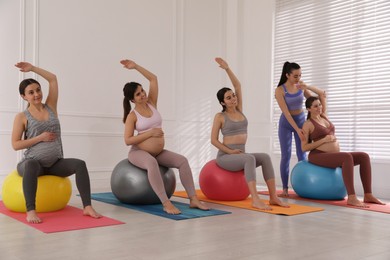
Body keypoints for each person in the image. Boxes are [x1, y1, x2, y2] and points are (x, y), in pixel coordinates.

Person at [11, 62, 102, 223]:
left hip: (54, 164)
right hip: (32, 164)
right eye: (31, 92)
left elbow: (53, 79)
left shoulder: (51, 107)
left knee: (80, 164)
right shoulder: (22, 116)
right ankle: (31, 210)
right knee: (31, 164)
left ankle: (87, 206)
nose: (36, 94)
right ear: (24, 97)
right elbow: (15, 145)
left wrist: (32, 68)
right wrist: (40, 137)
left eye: (38, 90)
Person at [120, 59, 209, 215]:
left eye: (142, 91)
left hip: (158, 152)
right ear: (132, 99)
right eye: (139, 94)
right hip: (138, 153)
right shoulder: (132, 116)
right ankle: (166, 203)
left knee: (182, 161)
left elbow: (153, 78)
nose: (143, 94)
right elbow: (127, 140)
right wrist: (150, 133)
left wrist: (136, 67)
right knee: (152, 163)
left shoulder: (151, 103)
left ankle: (193, 199)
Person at [211, 57, 289, 210]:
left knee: (265, 157)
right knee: (249, 158)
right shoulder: (220, 117)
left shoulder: (239, 109)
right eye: (228, 98)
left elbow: (238, 85)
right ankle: (255, 199)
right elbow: (213, 140)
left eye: (233, 96)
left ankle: (273, 197)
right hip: (226, 157)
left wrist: (227, 68)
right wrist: (230, 151)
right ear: (222, 103)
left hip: (240, 154)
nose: (233, 98)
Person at [301, 95, 385, 207]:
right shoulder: (307, 124)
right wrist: (324, 140)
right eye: (315, 106)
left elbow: (322, 93)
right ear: (308, 109)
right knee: (346, 157)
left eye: (320, 105)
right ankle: (351, 197)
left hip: (332, 154)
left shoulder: (324, 117)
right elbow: (304, 147)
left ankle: (368, 195)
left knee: (364, 156)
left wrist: (306, 87)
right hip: (318, 155)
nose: (319, 108)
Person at [275, 61, 324, 196]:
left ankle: (304, 187)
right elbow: (286, 112)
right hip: (286, 123)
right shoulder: (280, 90)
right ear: (287, 75)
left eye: (300, 75)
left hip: (301, 121)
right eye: (295, 76)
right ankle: (285, 188)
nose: (298, 78)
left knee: (302, 155)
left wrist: (307, 87)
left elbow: (314, 100)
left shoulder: (300, 86)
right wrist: (297, 129)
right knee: (286, 155)